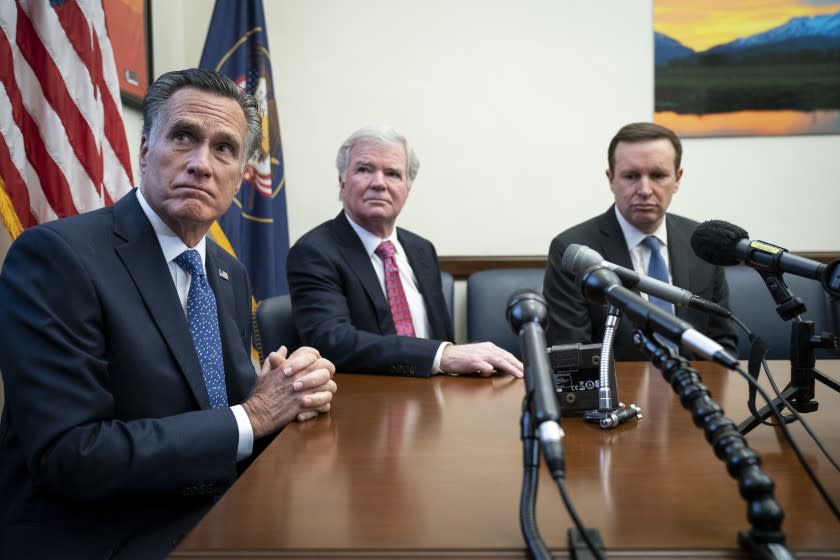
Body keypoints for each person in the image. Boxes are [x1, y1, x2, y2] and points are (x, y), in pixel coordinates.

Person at [0, 68, 337, 559]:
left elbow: (219, 410)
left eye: (224, 148)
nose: (202, 164)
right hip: (100, 533)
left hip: (215, 511)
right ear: (144, 149)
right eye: (183, 137)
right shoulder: (57, 257)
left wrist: (290, 393)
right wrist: (257, 412)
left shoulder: (227, 271)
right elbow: (72, 455)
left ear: (242, 175)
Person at [286, 125, 523, 378]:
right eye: (364, 169)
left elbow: (442, 338)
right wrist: (440, 355)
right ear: (342, 181)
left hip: (438, 397)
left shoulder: (421, 249)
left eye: (392, 173)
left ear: (407, 189)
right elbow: (332, 342)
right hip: (364, 402)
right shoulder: (314, 252)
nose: (379, 183)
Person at [543, 122, 738, 361]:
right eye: (631, 176)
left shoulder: (702, 243)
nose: (645, 189)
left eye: (658, 175)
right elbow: (573, 354)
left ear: (677, 179)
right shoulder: (573, 249)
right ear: (611, 179)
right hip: (617, 393)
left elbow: (723, 344)